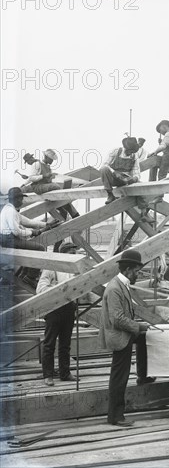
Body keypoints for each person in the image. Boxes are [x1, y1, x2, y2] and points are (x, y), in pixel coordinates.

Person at [99, 249, 155, 427]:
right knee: (119, 377)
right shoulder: (115, 288)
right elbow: (117, 319)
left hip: (125, 333)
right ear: (128, 269)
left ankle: (143, 376)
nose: (138, 274)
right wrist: (138, 326)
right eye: (137, 271)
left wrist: (140, 329)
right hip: (119, 337)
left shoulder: (122, 285)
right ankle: (115, 416)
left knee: (146, 338)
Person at [37, 242, 80, 386]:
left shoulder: (75, 270)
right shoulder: (51, 268)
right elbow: (40, 289)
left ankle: (65, 373)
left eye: (75, 254)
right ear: (63, 254)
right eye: (72, 254)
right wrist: (56, 288)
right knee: (49, 344)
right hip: (54, 309)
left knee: (65, 344)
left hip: (69, 308)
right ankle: (48, 375)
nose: (75, 256)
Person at [0, 187, 56, 286]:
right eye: (21, 198)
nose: (22, 201)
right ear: (16, 199)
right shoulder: (11, 212)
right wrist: (32, 232)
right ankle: (30, 277)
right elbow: (16, 231)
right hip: (9, 240)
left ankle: (24, 274)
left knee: (30, 248)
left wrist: (46, 225)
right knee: (39, 248)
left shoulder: (9, 209)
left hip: (7, 239)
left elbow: (29, 222)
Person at [99, 137, 152, 222]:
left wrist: (134, 179)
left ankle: (144, 213)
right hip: (113, 179)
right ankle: (110, 195)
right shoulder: (115, 151)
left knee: (140, 186)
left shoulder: (134, 156)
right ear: (126, 148)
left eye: (132, 152)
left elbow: (136, 172)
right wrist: (114, 172)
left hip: (125, 180)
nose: (130, 153)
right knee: (104, 169)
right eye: (129, 151)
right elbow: (104, 164)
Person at [20, 149, 79, 219]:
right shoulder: (37, 164)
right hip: (38, 187)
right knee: (56, 187)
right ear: (46, 157)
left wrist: (51, 177)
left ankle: (66, 212)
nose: (52, 161)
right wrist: (44, 176)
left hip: (45, 186)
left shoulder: (47, 167)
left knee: (56, 195)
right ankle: (72, 213)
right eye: (51, 159)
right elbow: (32, 178)